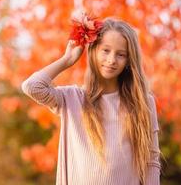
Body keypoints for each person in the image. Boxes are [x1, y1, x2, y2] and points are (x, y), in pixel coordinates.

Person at [21, 15, 161, 185]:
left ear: (128, 60)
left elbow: (151, 160)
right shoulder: (72, 99)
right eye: (105, 50)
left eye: (121, 54)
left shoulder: (143, 103)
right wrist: (67, 60)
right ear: (93, 51)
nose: (111, 60)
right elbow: (32, 86)